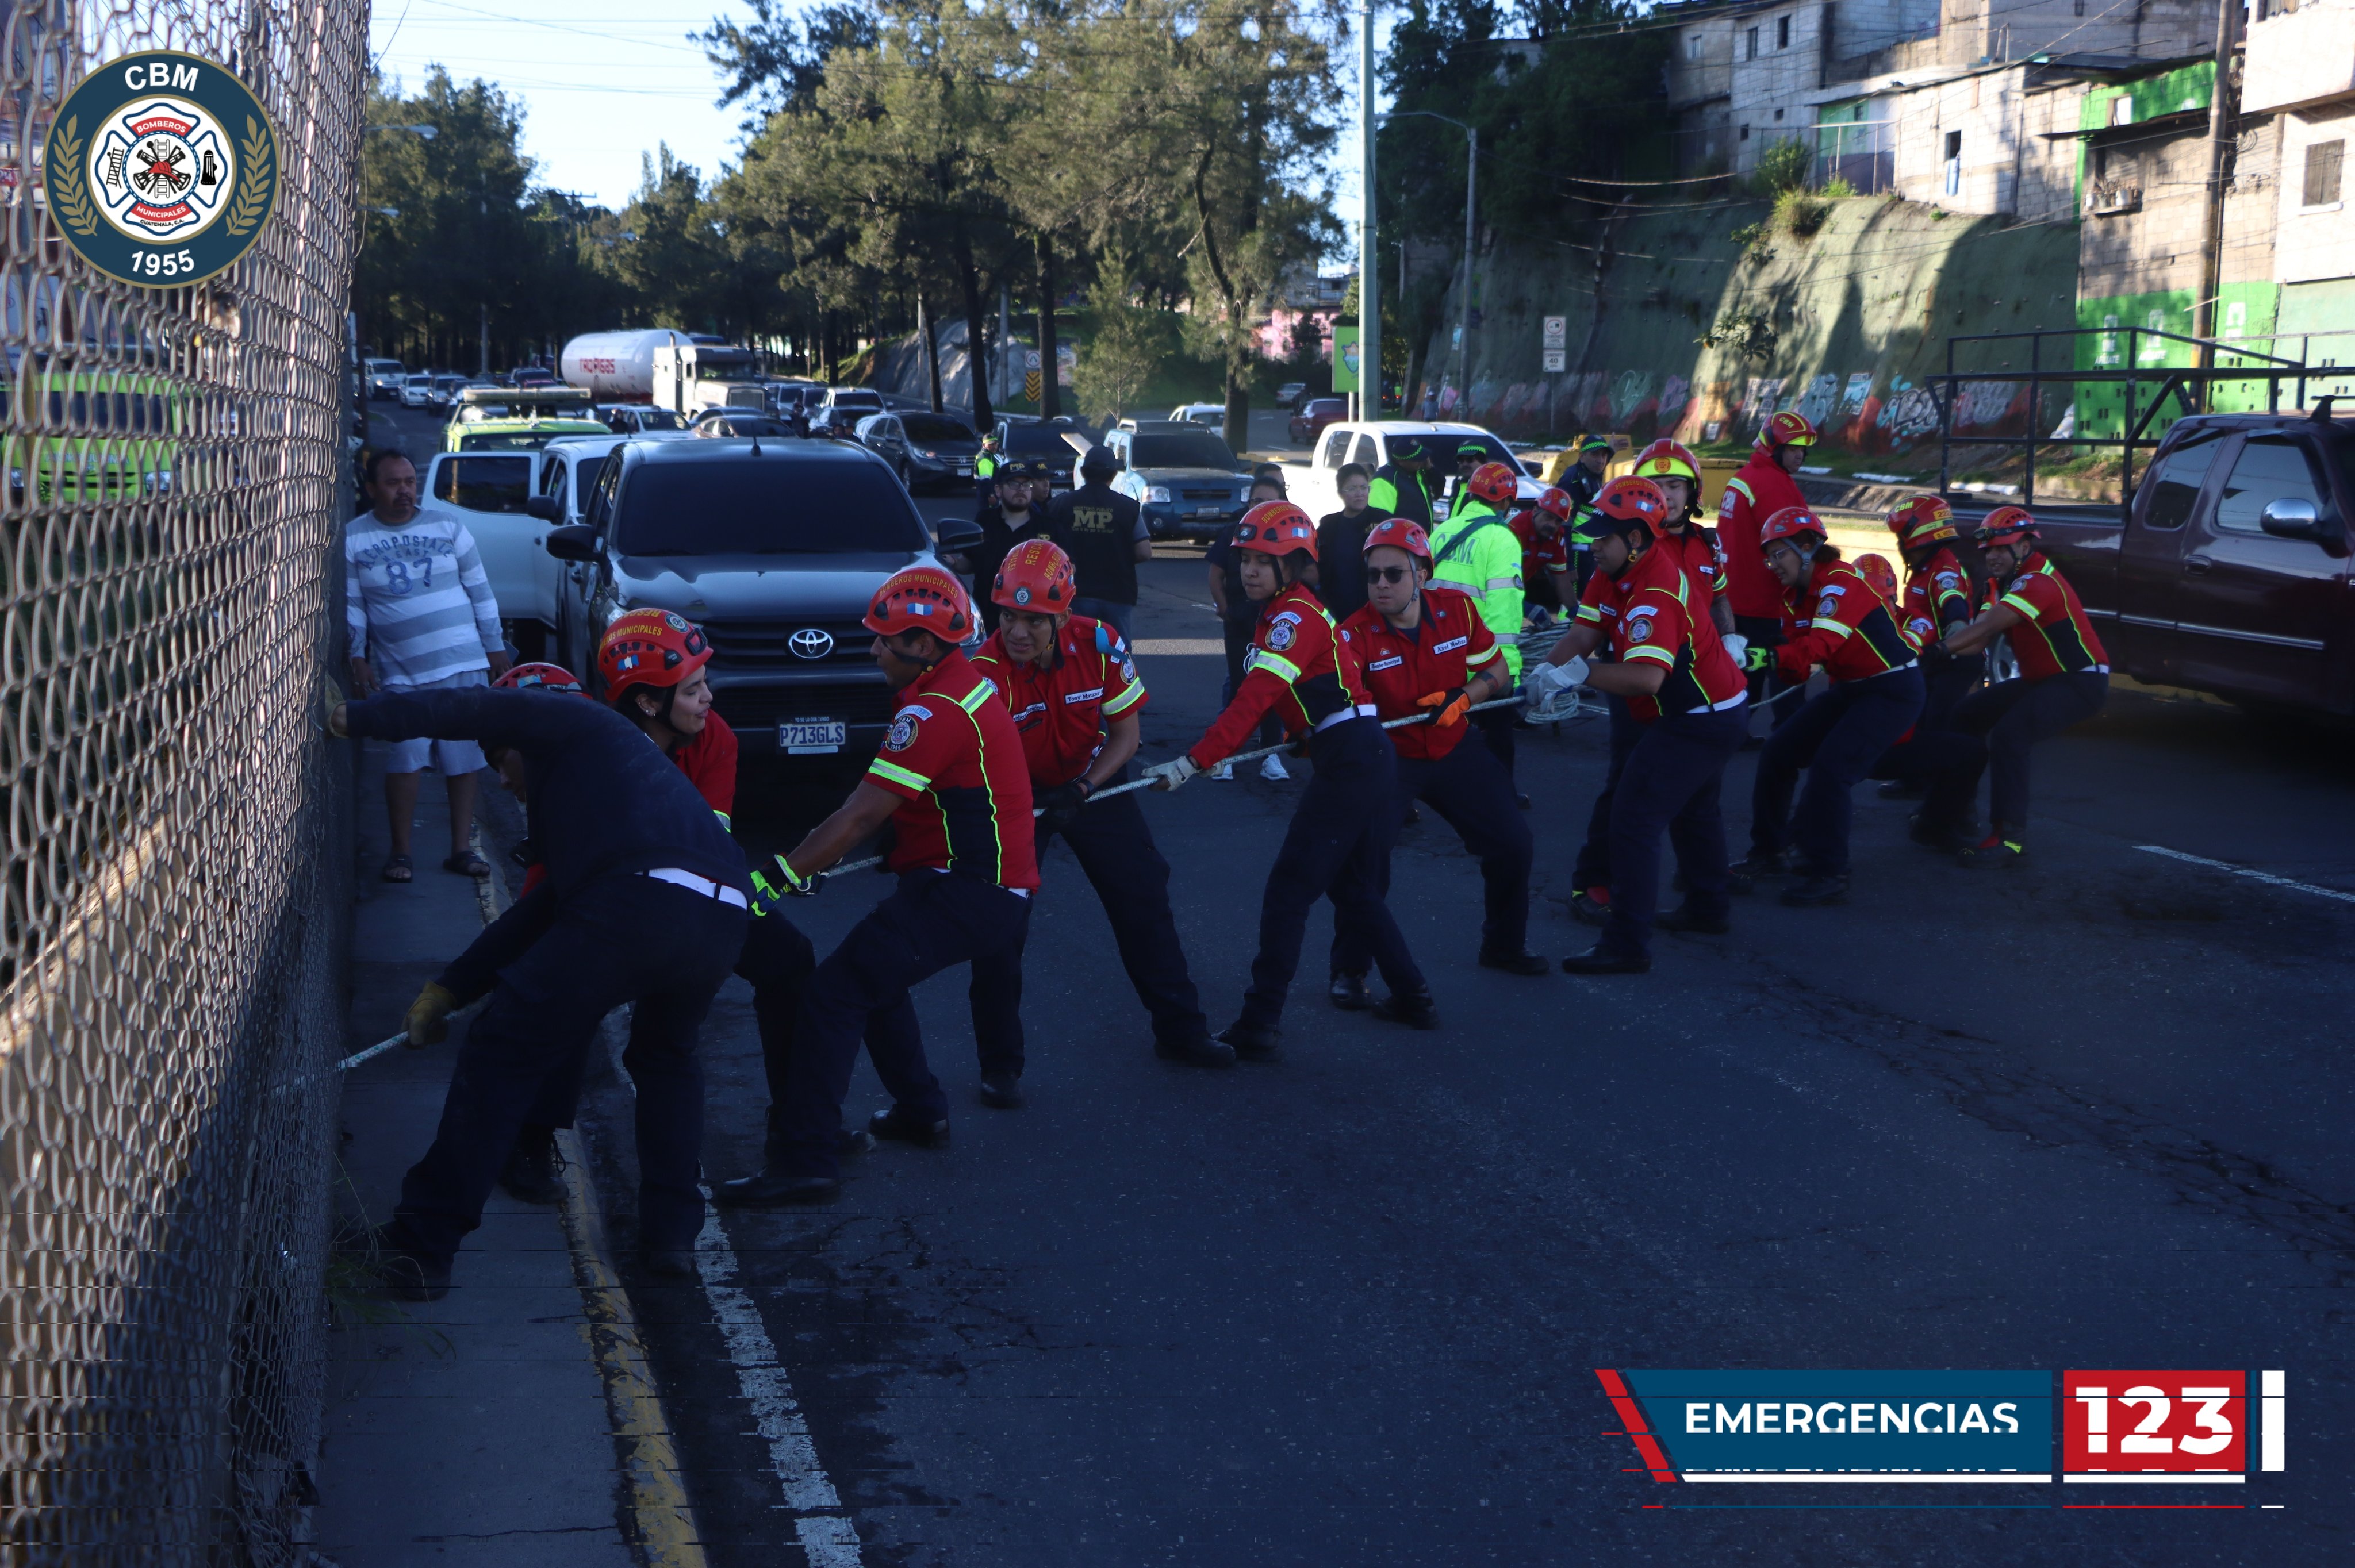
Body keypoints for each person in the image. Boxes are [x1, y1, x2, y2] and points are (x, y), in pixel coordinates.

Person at [331, 613, 751, 1298]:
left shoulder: (567, 720)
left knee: (502, 1049)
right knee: (668, 1060)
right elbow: (544, 907)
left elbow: (465, 705)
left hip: (642, 901)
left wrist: (356, 717)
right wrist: (451, 987)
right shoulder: (611, 783)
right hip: (723, 913)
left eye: (500, 761)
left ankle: (419, 1249)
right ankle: (672, 1235)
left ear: (525, 737)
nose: (502, 781)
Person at [429, 633, 824, 1206]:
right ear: (646, 701)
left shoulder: (711, 735)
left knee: (789, 961)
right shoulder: (586, 757)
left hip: (697, 890)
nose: (708, 698)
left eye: (701, 683)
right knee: (566, 993)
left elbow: (711, 839)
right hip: (615, 895)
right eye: (692, 687)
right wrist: (475, 979)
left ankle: (802, 1126)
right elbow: (547, 895)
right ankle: (533, 1139)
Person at [715, 566, 1037, 1206]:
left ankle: (805, 1160)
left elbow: (859, 816)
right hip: (980, 886)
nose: (873, 650)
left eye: (884, 640)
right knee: (873, 975)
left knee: (834, 992)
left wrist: (775, 877)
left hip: (969, 892)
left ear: (923, 644)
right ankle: (921, 1111)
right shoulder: (957, 686)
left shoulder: (933, 710)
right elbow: (941, 799)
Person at [1142, 502, 1433, 1045]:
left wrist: (1193, 761)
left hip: (1352, 757)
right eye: (1245, 559)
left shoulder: (1292, 618)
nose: (1249, 570)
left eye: (1264, 560)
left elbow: (1254, 699)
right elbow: (1319, 689)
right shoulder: (1285, 612)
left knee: (1289, 891)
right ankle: (1414, 996)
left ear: (1294, 564)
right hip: (1356, 751)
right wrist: (1303, 733)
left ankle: (1260, 1023)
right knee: (1352, 889)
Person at [968, 541, 1232, 1079]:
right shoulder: (981, 672)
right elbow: (969, 768)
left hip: (1092, 781)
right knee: (1000, 925)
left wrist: (1085, 788)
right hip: (1015, 798)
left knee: (1143, 894)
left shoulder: (1101, 643)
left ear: (1064, 616)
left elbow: (1127, 736)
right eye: (1008, 616)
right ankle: (1000, 1067)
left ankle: (1181, 1031)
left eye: (1035, 620)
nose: (1017, 632)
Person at [1332, 518, 1545, 1002]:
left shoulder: (1459, 610)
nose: (1381, 585)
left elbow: (1497, 670)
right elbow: (1342, 705)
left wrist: (1465, 697)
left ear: (1422, 575)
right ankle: (1348, 969)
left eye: (1394, 574)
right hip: (1391, 758)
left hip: (1454, 745)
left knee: (1514, 843)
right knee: (1367, 862)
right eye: (1373, 575)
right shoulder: (1352, 635)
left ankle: (1504, 946)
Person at [1544, 479, 1750, 974]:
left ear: (1635, 538)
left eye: (1604, 536)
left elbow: (1646, 678)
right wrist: (1545, 673)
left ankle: (1627, 944)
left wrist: (1577, 676)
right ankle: (1707, 907)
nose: (1594, 545)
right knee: (1695, 812)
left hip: (1702, 718)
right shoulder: (1613, 570)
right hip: (1704, 710)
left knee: (1634, 820)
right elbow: (1584, 633)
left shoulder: (1655, 590)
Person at [1730, 507, 1927, 906]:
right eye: (1768, 557)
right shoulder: (1793, 599)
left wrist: (1762, 657)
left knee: (1832, 771)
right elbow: (1798, 666)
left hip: (1891, 689)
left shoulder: (1840, 583)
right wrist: (1759, 657)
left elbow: (1819, 647)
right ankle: (1769, 852)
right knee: (1778, 753)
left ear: (1807, 546)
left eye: (1778, 554)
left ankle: (1829, 872)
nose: (1772, 565)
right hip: (1853, 687)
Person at [344, 449, 512, 883]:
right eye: (393, 483)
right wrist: (357, 655)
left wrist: (494, 647)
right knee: (406, 758)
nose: (404, 490)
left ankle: (461, 849)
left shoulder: (448, 526)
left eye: (409, 481)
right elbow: (354, 607)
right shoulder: (354, 539)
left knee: (463, 760)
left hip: (464, 661)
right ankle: (400, 853)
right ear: (371, 489)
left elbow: (480, 590)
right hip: (404, 672)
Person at [1938, 506, 2110, 866]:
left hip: (2080, 681)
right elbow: (1978, 642)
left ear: (2026, 546)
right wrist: (1923, 656)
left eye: (2003, 548)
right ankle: (1955, 812)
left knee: (2010, 736)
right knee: (1966, 715)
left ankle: (2010, 841)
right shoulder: (1999, 584)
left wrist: (1939, 650)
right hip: (2041, 680)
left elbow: (1989, 626)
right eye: (1989, 550)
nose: (1993, 556)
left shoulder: (2038, 581)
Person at [1426, 459, 1526, 788]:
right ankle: (1500, 798)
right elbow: (1504, 608)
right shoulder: (1502, 539)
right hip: (1481, 661)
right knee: (1497, 737)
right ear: (1506, 502)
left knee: (1442, 734)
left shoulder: (1442, 531)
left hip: (1439, 654)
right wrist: (1505, 668)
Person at [1716, 411, 1817, 705]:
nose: (1800, 456)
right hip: (1768, 602)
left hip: (1735, 599)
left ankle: (1736, 726)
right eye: (1793, 448)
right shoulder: (1774, 484)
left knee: (1740, 684)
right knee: (1787, 678)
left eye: (1803, 450)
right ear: (1775, 448)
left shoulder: (1744, 477)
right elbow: (1793, 543)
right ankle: (1788, 730)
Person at [1203, 470, 1297, 781]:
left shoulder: (1288, 537)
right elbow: (1216, 574)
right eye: (1257, 501)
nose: (1263, 508)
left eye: (1271, 502)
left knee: (1273, 689)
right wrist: (1225, 609)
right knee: (1239, 688)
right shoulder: (1234, 531)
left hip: (1274, 622)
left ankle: (1270, 755)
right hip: (1240, 622)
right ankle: (1226, 755)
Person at [1046, 445, 1152, 640]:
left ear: (1083, 472)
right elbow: (1144, 552)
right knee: (1116, 650)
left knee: (1075, 649)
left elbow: (1046, 547)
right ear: (1113, 474)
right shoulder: (1128, 508)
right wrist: (1120, 556)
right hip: (1117, 593)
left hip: (1073, 593)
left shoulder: (1060, 504)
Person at [974, 460, 1053, 632]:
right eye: (1014, 484)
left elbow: (1069, 567)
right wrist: (951, 562)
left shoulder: (1049, 526)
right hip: (987, 617)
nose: (1021, 489)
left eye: (1026, 485)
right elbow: (969, 561)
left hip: (1032, 620)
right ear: (998, 490)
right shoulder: (984, 521)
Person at [1313, 462, 1379, 623]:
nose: (1359, 494)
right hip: (1334, 608)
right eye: (1352, 489)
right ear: (1341, 492)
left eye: (1364, 487)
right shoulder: (1329, 525)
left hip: (1371, 607)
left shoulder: (1382, 521)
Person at [1507, 485, 1574, 618]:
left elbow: (1561, 579)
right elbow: (1499, 580)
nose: (1553, 525)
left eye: (1558, 521)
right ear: (1535, 510)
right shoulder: (1514, 530)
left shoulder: (1557, 537)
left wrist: (1575, 611)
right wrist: (1527, 609)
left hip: (1520, 584)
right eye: (1548, 517)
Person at [1368, 437, 1438, 529]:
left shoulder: (1418, 473)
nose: (1421, 462)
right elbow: (1379, 520)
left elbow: (1438, 491)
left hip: (1422, 537)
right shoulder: (1384, 479)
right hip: (1401, 537)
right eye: (1416, 459)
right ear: (1400, 461)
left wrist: (1430, 469)